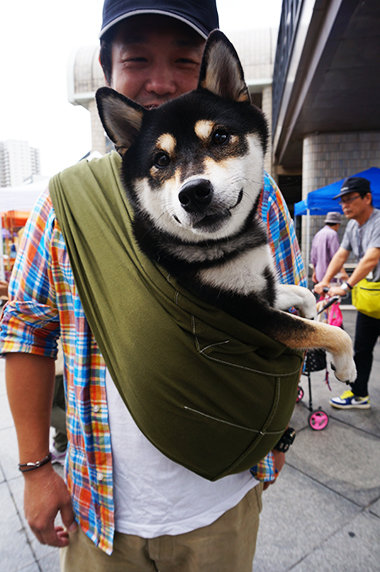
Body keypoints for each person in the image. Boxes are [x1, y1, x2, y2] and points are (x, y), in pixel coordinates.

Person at [0, 2, 306, 570]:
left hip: (223, 501)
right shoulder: (66, 204)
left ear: (214, 76)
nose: (160, 81)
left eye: (185, 61)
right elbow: (26, 330)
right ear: (107, 69)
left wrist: (279, 437)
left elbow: (287, 323)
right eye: (137, 58)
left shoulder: (257, 192)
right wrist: (36, 469)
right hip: (101, 512)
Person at [315, 177, 380, 410]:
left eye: (350, 199)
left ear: (367, 198)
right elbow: (340, 255)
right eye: (342, 201)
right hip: (371, 300)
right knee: (361, 349)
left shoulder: (378, 221)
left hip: (371, 293)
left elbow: (372, 258)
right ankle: (359, 394)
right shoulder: (353, 225)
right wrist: (323, 281)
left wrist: (346, 286)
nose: (344, 205)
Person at [310, 211, 348, 285]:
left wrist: (314, 272)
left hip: (319, 273)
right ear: (337, 224)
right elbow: (336, 255)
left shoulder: (318, 234)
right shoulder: (332, 234)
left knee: (323, 294)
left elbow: (313, 256)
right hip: (332, 275)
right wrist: (343, 272)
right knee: (331, 295)